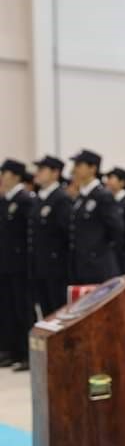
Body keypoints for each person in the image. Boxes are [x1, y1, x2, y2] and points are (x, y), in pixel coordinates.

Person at [68, 149, 124, 285]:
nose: (74, 170)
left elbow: (117, 228)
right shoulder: (81, 198)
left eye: (79, 166)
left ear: (92, 168)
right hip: (81, 265)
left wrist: (100, 251)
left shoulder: (102, 196)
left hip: (98, 265)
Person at [1, 159, 35, 371]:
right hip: (5, 264)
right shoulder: (5, 201)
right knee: (8, 309)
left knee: (23, 309)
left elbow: (28, 235)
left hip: (21, 264)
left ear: (14, 175)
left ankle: (26, 352)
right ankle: (12, 349)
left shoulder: (25, 200)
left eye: (4, 173)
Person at [28, 156, 72, 319]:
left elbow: (66, 234)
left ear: (55, 173)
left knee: (58, 311)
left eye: (42, 169)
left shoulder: (60, 198)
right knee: (46, 313)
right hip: (40, 265)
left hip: (56, 267)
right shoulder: (39, 199)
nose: (37, 173)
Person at [105, 167, 125, 273]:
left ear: (122, 182)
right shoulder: (107, 200)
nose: (108, 182)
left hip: (122, 251)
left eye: (112, 178)